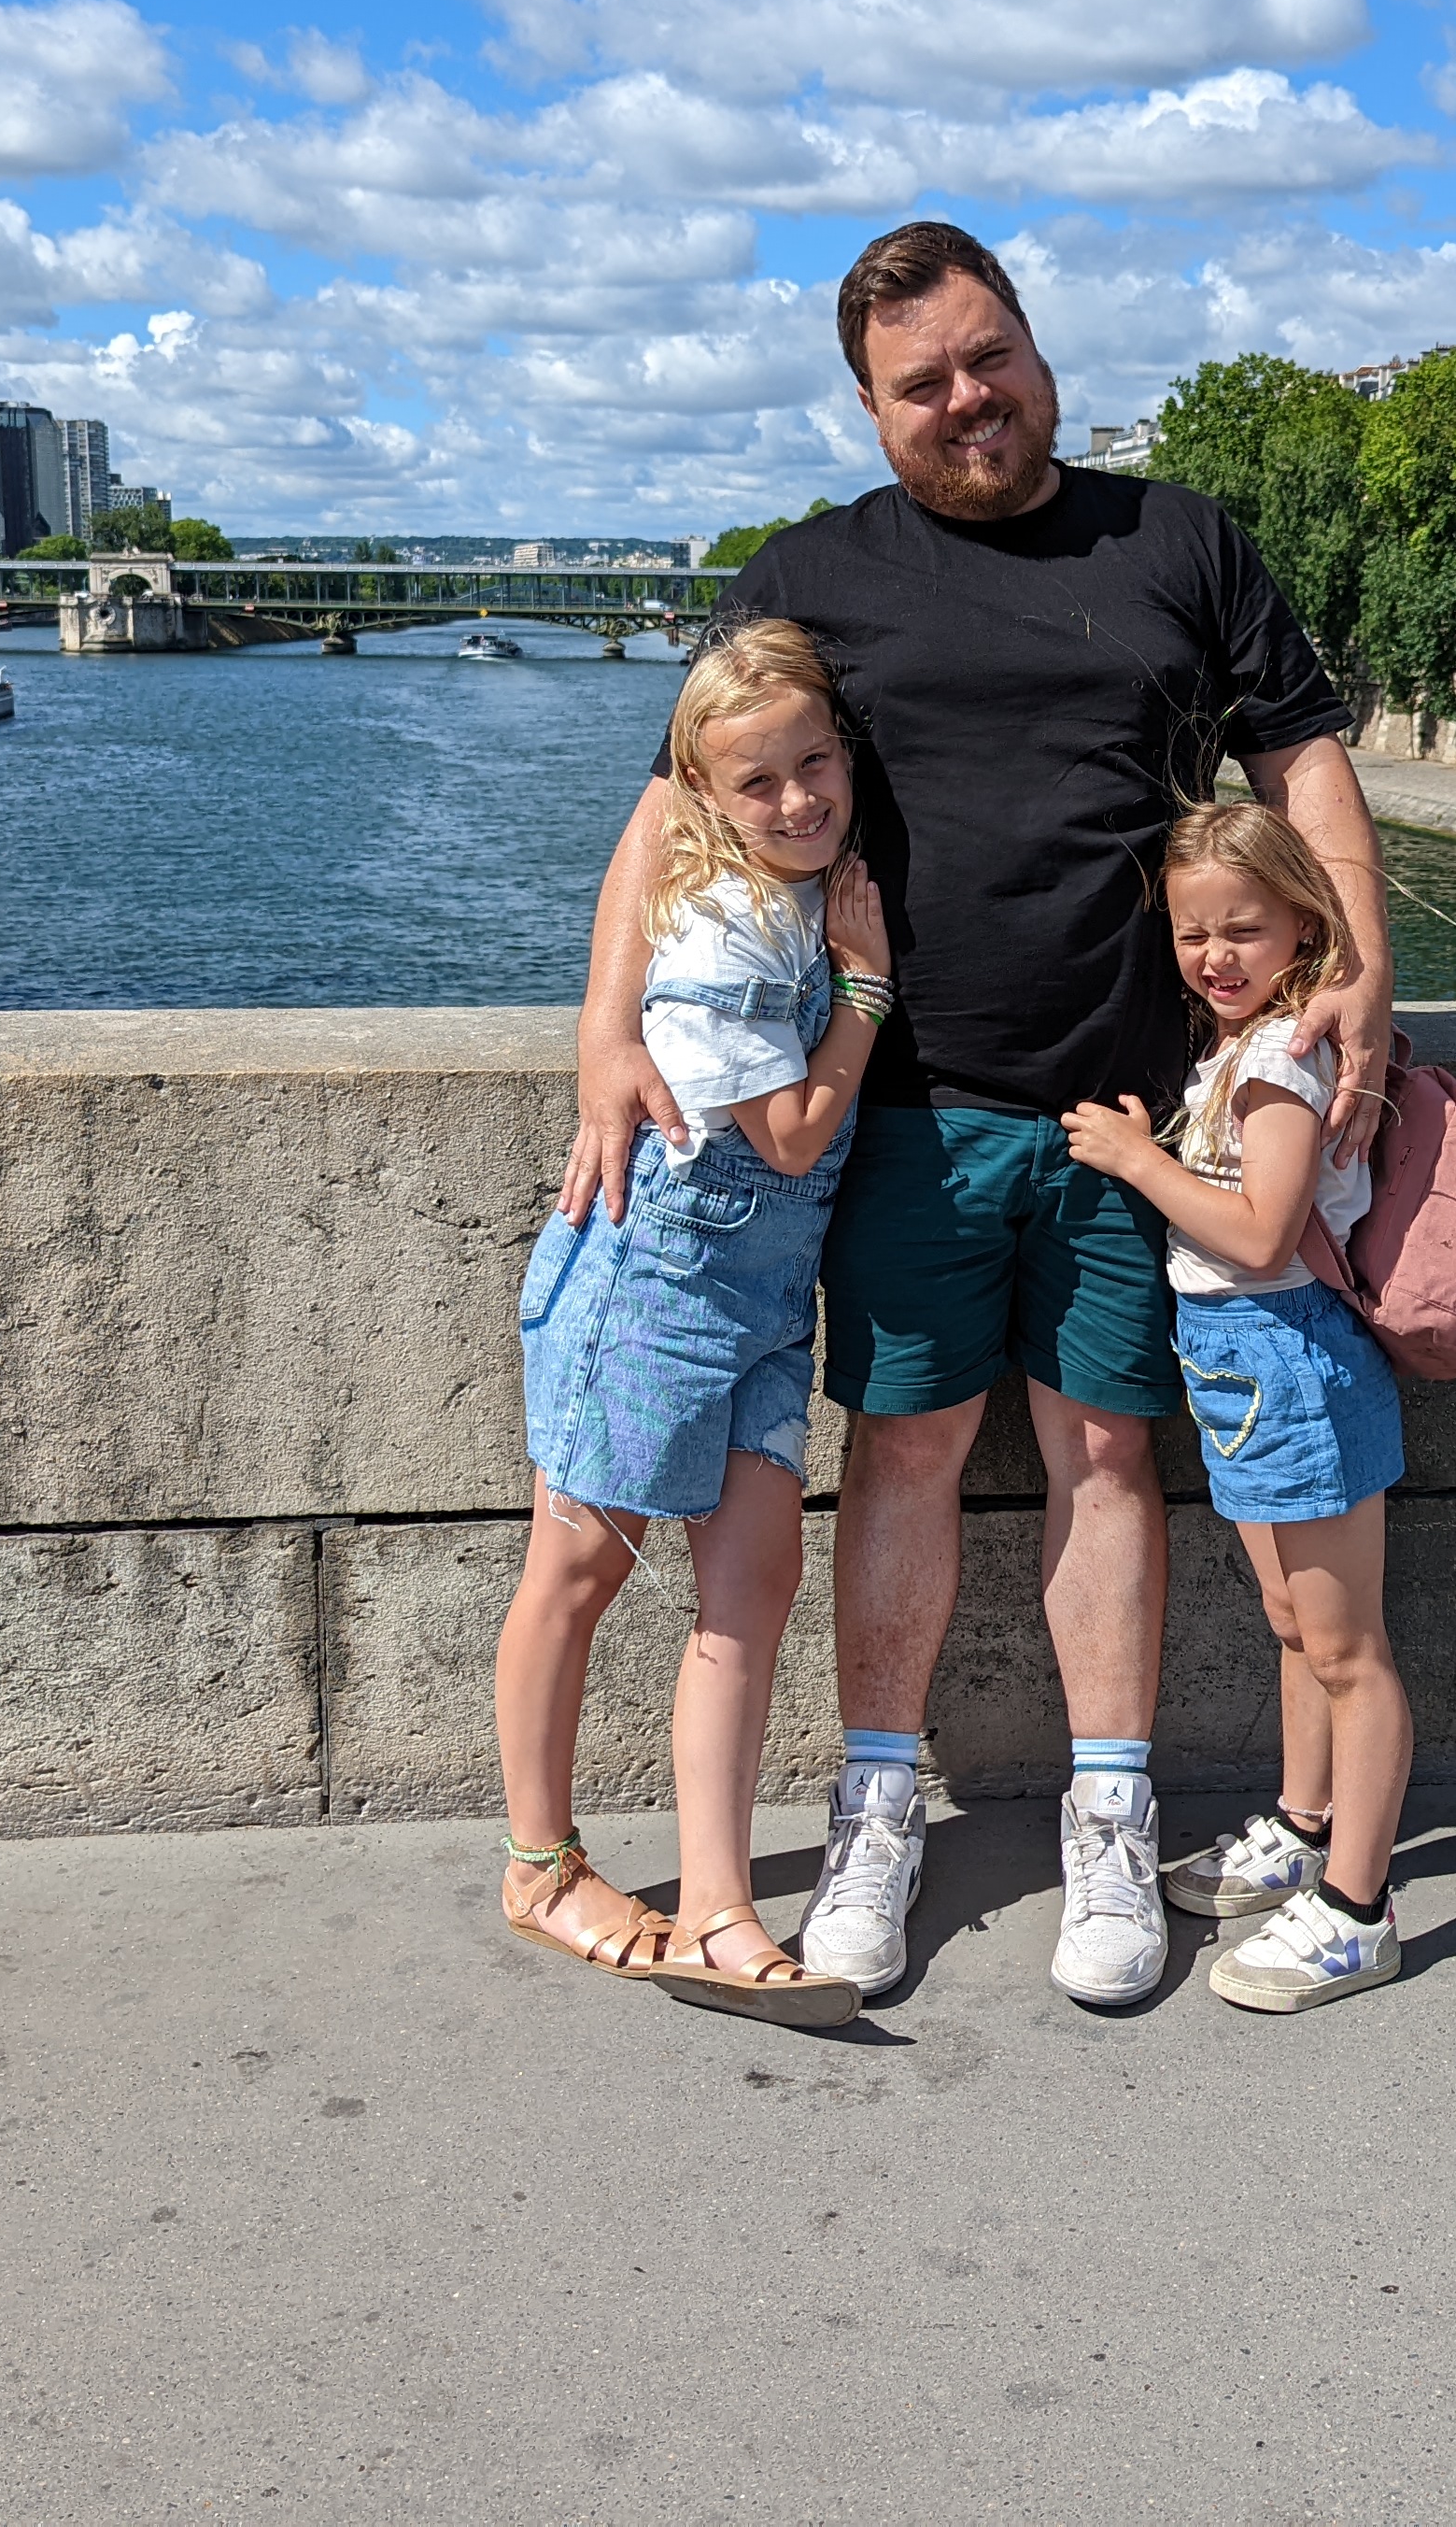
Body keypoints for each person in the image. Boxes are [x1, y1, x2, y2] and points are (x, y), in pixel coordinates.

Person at [558, 220, 1391, 2010]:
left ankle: (1111, 1812)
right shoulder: (811, 574)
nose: (968, 400)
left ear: (1035, 347)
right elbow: (673, 808)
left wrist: (1364, 971)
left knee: (1107, 1454)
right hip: (906, 1109)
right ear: (871, 412)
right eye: (920, 383)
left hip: (1129, 1110)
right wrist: (606, 1034)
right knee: (909, 1449)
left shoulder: (1179, 539)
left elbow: (1301, 756)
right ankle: (878, 1806)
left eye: (987, 356)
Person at [496, 621, 886, 2029]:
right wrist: (868, 993)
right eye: (756, 782)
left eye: (814, 764)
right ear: (702, 797)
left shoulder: (799, 890)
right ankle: (540, 1868)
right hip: (655, 1287)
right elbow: (791, 1135)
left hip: (764, 1300)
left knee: (753, 1584)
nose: (796, 799)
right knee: (577, 1567)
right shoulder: (726, 925)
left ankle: (719, 1905)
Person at [1061, 802, 1408, 2011]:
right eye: (1192, 932)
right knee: (1291, 1619)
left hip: (1289, 1357)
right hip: (1241, 1366)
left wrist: (1140, 1162)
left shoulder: (1278, 1061)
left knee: (1348, 1649)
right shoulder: (1239, 1046)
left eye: (1243, 931)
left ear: (1303, 925)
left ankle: (1358, 1909)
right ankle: (1304, 1829)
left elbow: (1262, 1236)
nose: (1214, 957)